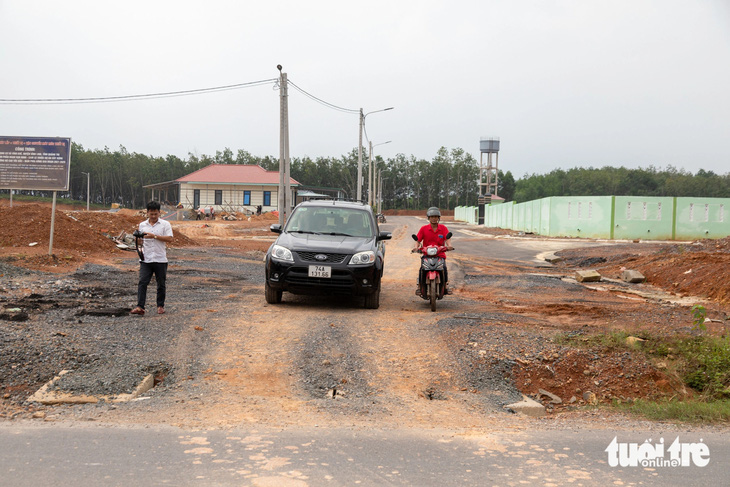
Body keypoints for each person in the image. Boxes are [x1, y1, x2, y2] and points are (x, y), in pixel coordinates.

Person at [130, 201, 174, 316]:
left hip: (160, 259)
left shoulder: (165, 224)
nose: (153, 216)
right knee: (142, 282)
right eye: (151, 214)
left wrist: (154, 236)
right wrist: (138, 239)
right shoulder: (142, 225)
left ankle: (160, 306)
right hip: (146, 259)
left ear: (159, 213)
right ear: (147, 213)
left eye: (155, 214)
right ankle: (140, 306)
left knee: (161, 283)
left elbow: (170, 239)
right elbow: (139, 241)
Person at [413, 207, 453, 295]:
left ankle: (445, 285)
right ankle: (420, 286)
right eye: (432, 217)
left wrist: (449, 246)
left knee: (444, 268)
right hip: (427, 254)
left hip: (440, 254)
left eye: (436, 217)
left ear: (439, 218)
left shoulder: (443, 228)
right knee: (422, 269)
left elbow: (447, 238)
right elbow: (418, 240)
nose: (434, 219)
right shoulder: (424, 228)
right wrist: (416, 247)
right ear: (428, 218)